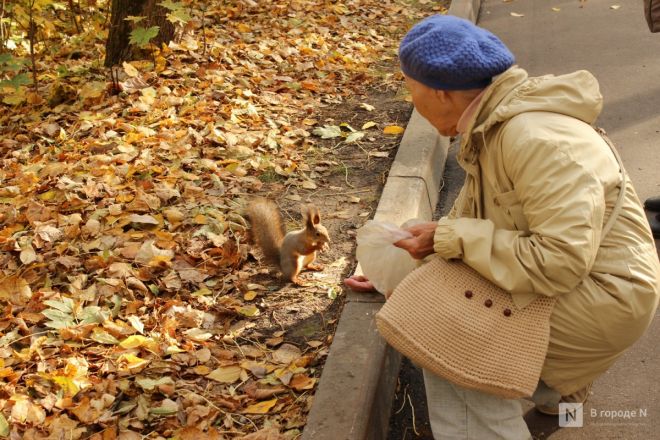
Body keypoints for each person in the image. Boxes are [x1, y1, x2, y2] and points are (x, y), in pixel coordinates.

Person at [345, 15, 660, 439]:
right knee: (440, 289)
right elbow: (484, 219)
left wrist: (446, 239)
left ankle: (517, 399)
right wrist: (401, 262)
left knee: (443, 335)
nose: (409, 96)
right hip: (592, 280)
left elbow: (558, 262)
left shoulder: (535, 139)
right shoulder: (497, 121)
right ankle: (557, 393)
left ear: (439, 92)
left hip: (605, 295)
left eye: (409, 86)